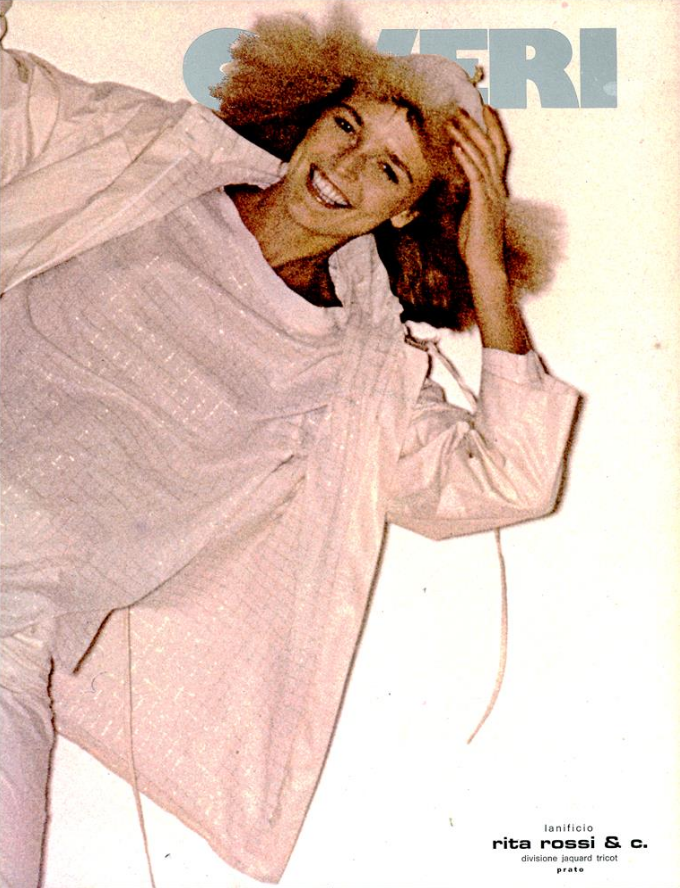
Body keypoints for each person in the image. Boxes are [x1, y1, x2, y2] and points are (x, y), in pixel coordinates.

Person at [0, 4, 578, 886]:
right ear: (309, 115)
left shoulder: (354, 377)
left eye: (388, 167)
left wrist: (487, 265)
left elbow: (509, 478)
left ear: (407, 211)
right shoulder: (151, 159)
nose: (346, 166)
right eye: (347, 125)